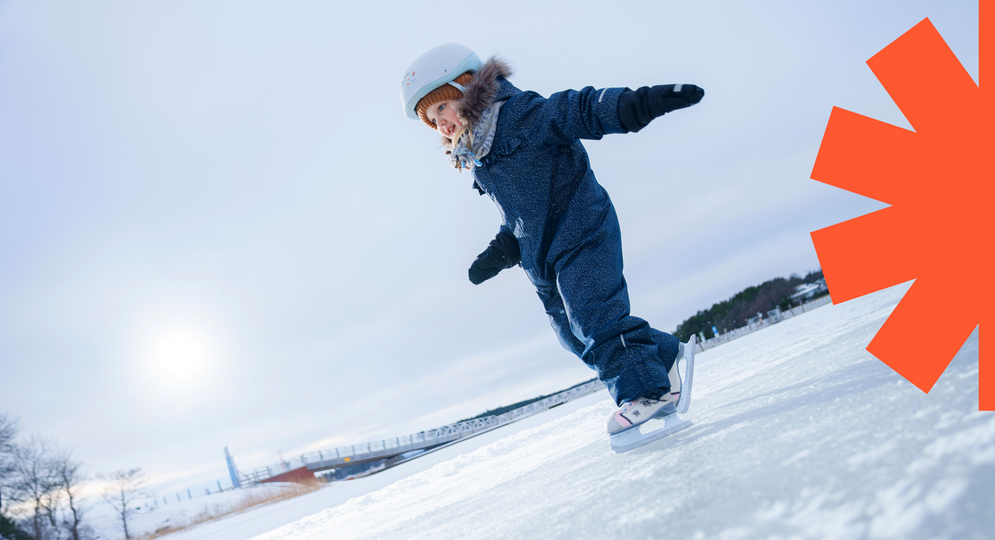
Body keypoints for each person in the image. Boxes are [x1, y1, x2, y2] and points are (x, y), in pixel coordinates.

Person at [399, 44, 705, 436]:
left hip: (581, 225)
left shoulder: (518, 115)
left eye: (442, 107)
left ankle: (646, 392)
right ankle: (659, 355)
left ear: (468, 86)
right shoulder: (480, 157)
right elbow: (519, 215)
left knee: (593, 313)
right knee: (571, 334)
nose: (441, 123)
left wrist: (635, 104)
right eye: (430, 119)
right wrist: (501, 251)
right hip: (541, 258)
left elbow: (575, 110)